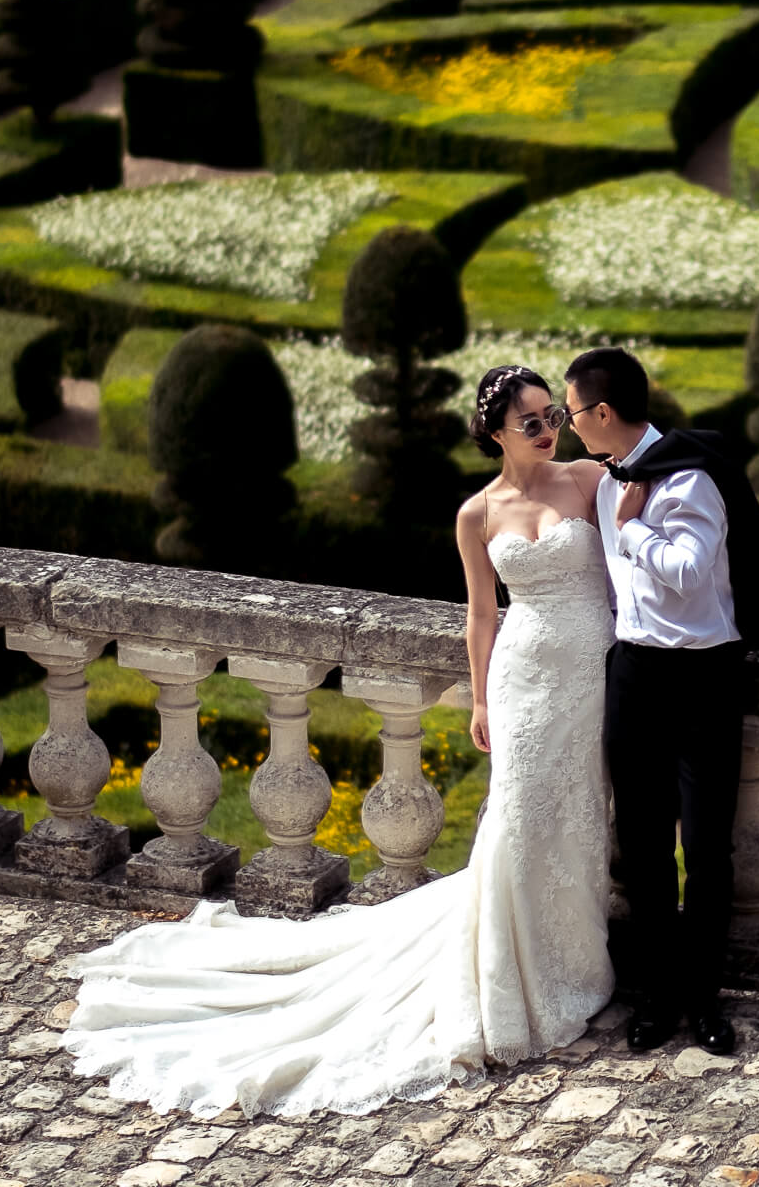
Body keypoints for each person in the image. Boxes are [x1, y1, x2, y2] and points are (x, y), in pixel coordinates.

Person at [58, 368, 616, 1120]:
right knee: (518, 822)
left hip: (594, 675)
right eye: (531, 423)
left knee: (580, 811)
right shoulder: (476, 513)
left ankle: (576, 958)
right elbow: (481, 616)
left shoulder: (587, 478)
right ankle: (518, 978)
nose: (548, 431)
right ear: (493, 435)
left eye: (553, 417)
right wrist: (481, 696)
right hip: (525, 682)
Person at [565, 346, 759, 1059]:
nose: (572, 426)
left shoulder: (686, 477)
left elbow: (691, 576)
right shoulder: (608, 483)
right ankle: (657, 997)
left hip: (703, 677)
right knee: (641, 849)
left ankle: (704, 999)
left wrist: (633, 527)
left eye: (574, 413)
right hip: (634, 675)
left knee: (705, 847)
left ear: (603, 413)